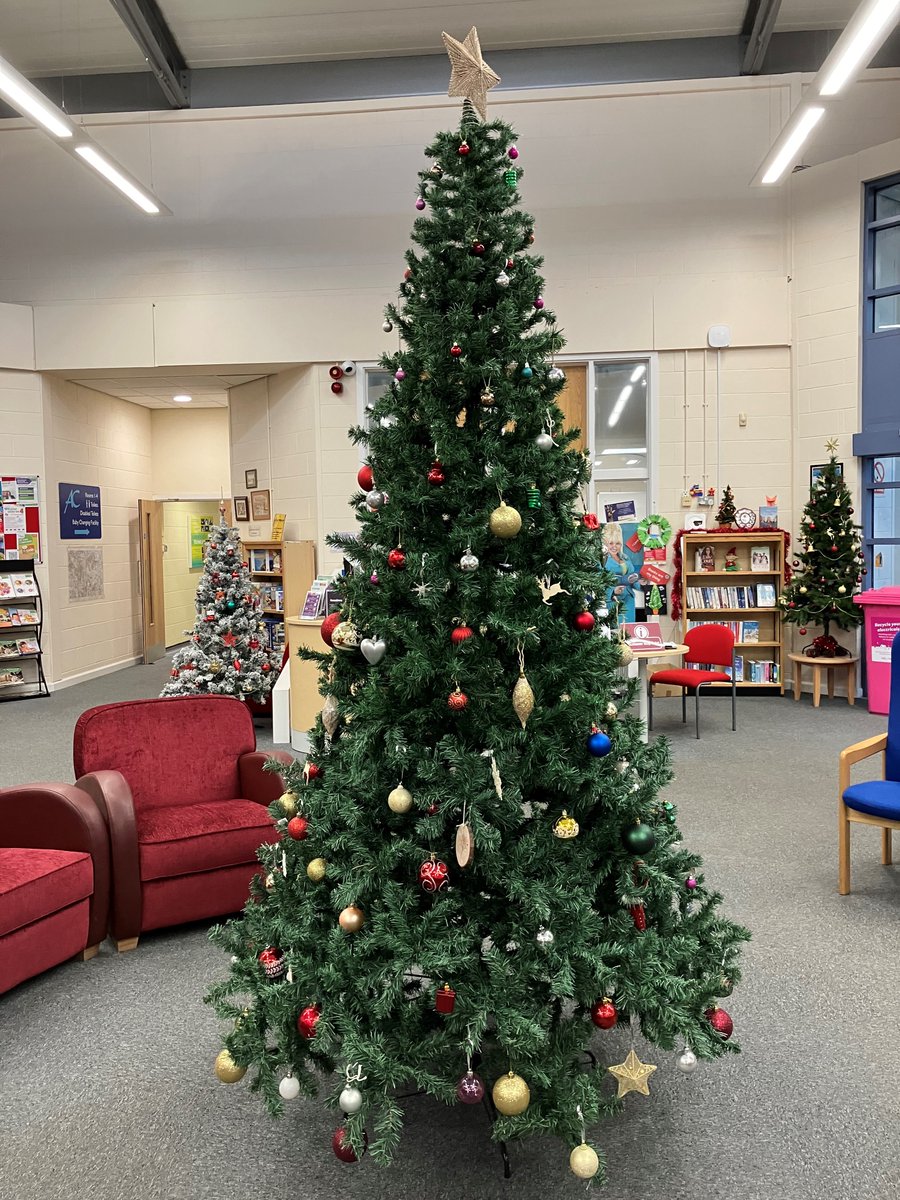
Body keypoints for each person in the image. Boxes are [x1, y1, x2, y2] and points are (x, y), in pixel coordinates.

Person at [602, 521, 640, 623]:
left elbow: (632, 577)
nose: (615, 546)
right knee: (615, 632)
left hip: (628, 599)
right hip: (612, 600)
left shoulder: (625, 558)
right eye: (611, 543)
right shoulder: (601, 560)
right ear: (605, 543)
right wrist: (613, 591)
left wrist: (641, 583)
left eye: (618, 543)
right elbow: (599, 582)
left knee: (629, 631)